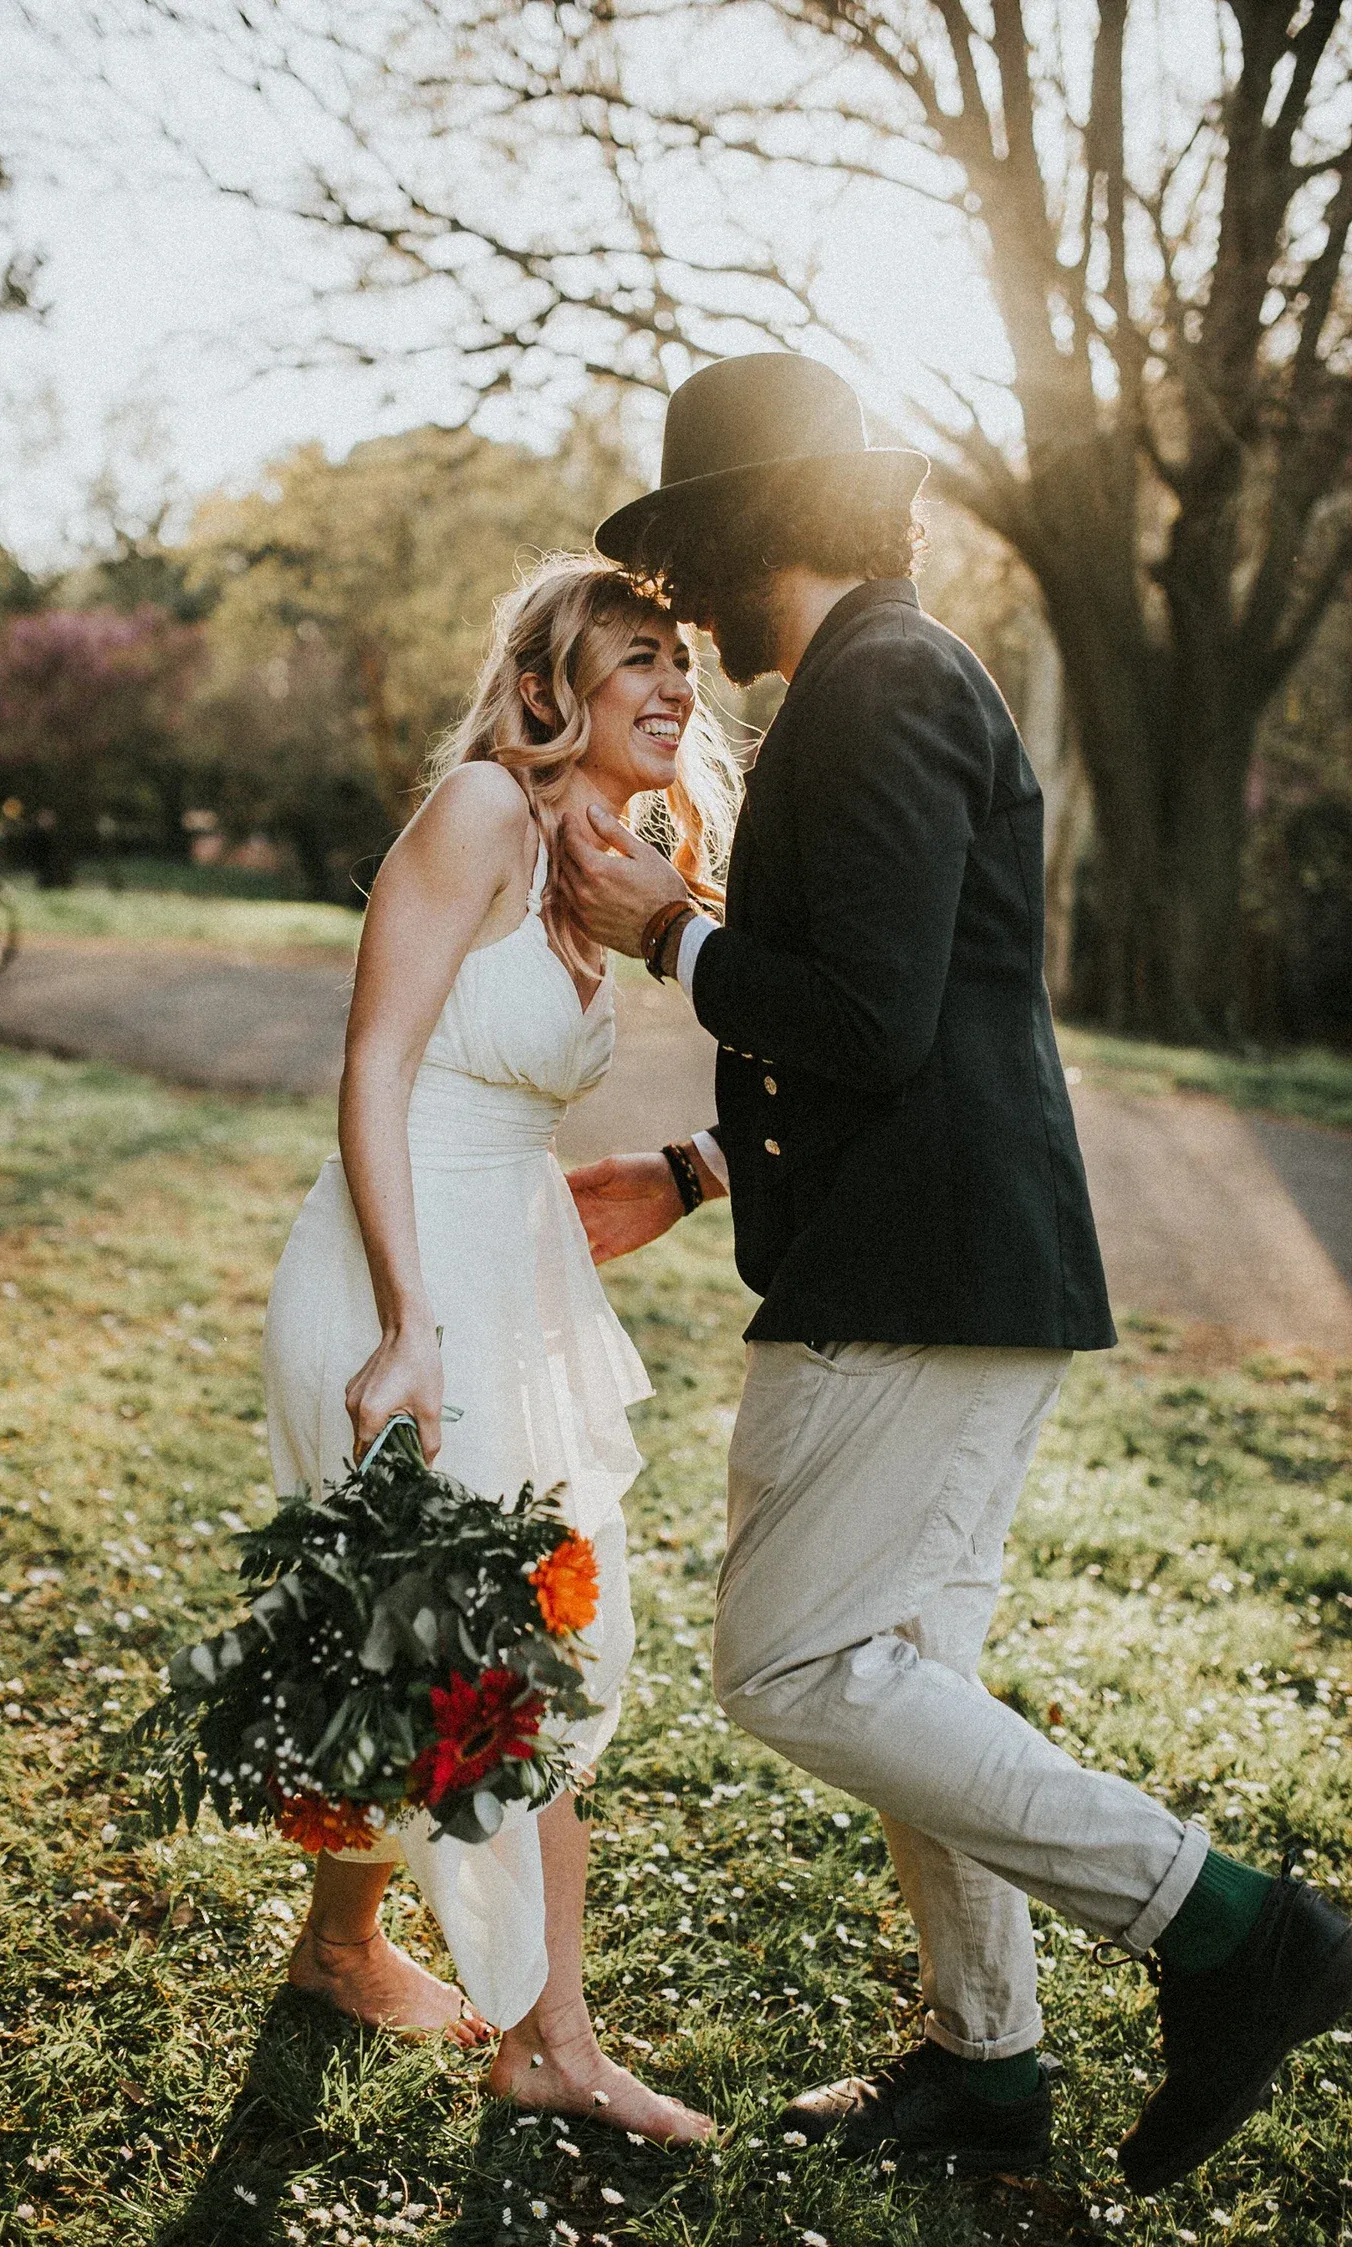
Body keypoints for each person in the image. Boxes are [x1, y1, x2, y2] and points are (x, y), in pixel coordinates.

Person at [559, 351, 1352, 2193]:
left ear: (759, 529)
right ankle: (988, 2068)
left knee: (791, 1661)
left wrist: (670, 925)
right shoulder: (870, 679)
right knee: (910, 1673)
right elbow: (890, 1015)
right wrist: (693, 1164)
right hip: (938, 1258)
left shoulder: (888, 681)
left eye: (688, 557)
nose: (674, 605)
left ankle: (1233, 1929)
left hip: (924, 1280)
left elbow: (869, 1015)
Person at [260, 553, 739, 2145]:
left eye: (682, 660)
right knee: (503, 1655)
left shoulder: (604, 848)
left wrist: (692, 1168)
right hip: (410, 1275)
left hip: (508, 1268)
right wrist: (408, 1320)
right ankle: (552, 2040)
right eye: (635, 659)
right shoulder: (480, 813)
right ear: (548, 691)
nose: (675, 687)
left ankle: (339, 1945)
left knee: (405, 1635)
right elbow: (378, 1064)